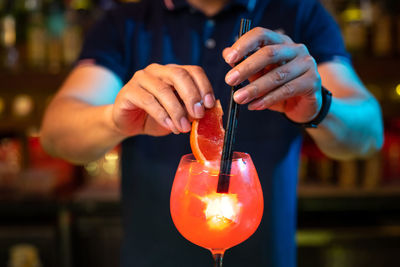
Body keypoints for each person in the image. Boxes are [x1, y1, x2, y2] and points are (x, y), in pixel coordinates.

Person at [40, 0, 383, 266]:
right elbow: (55, 135)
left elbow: (369, 135)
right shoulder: (124, 22)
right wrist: (114, 121)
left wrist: (321, 106)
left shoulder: (301, 13)